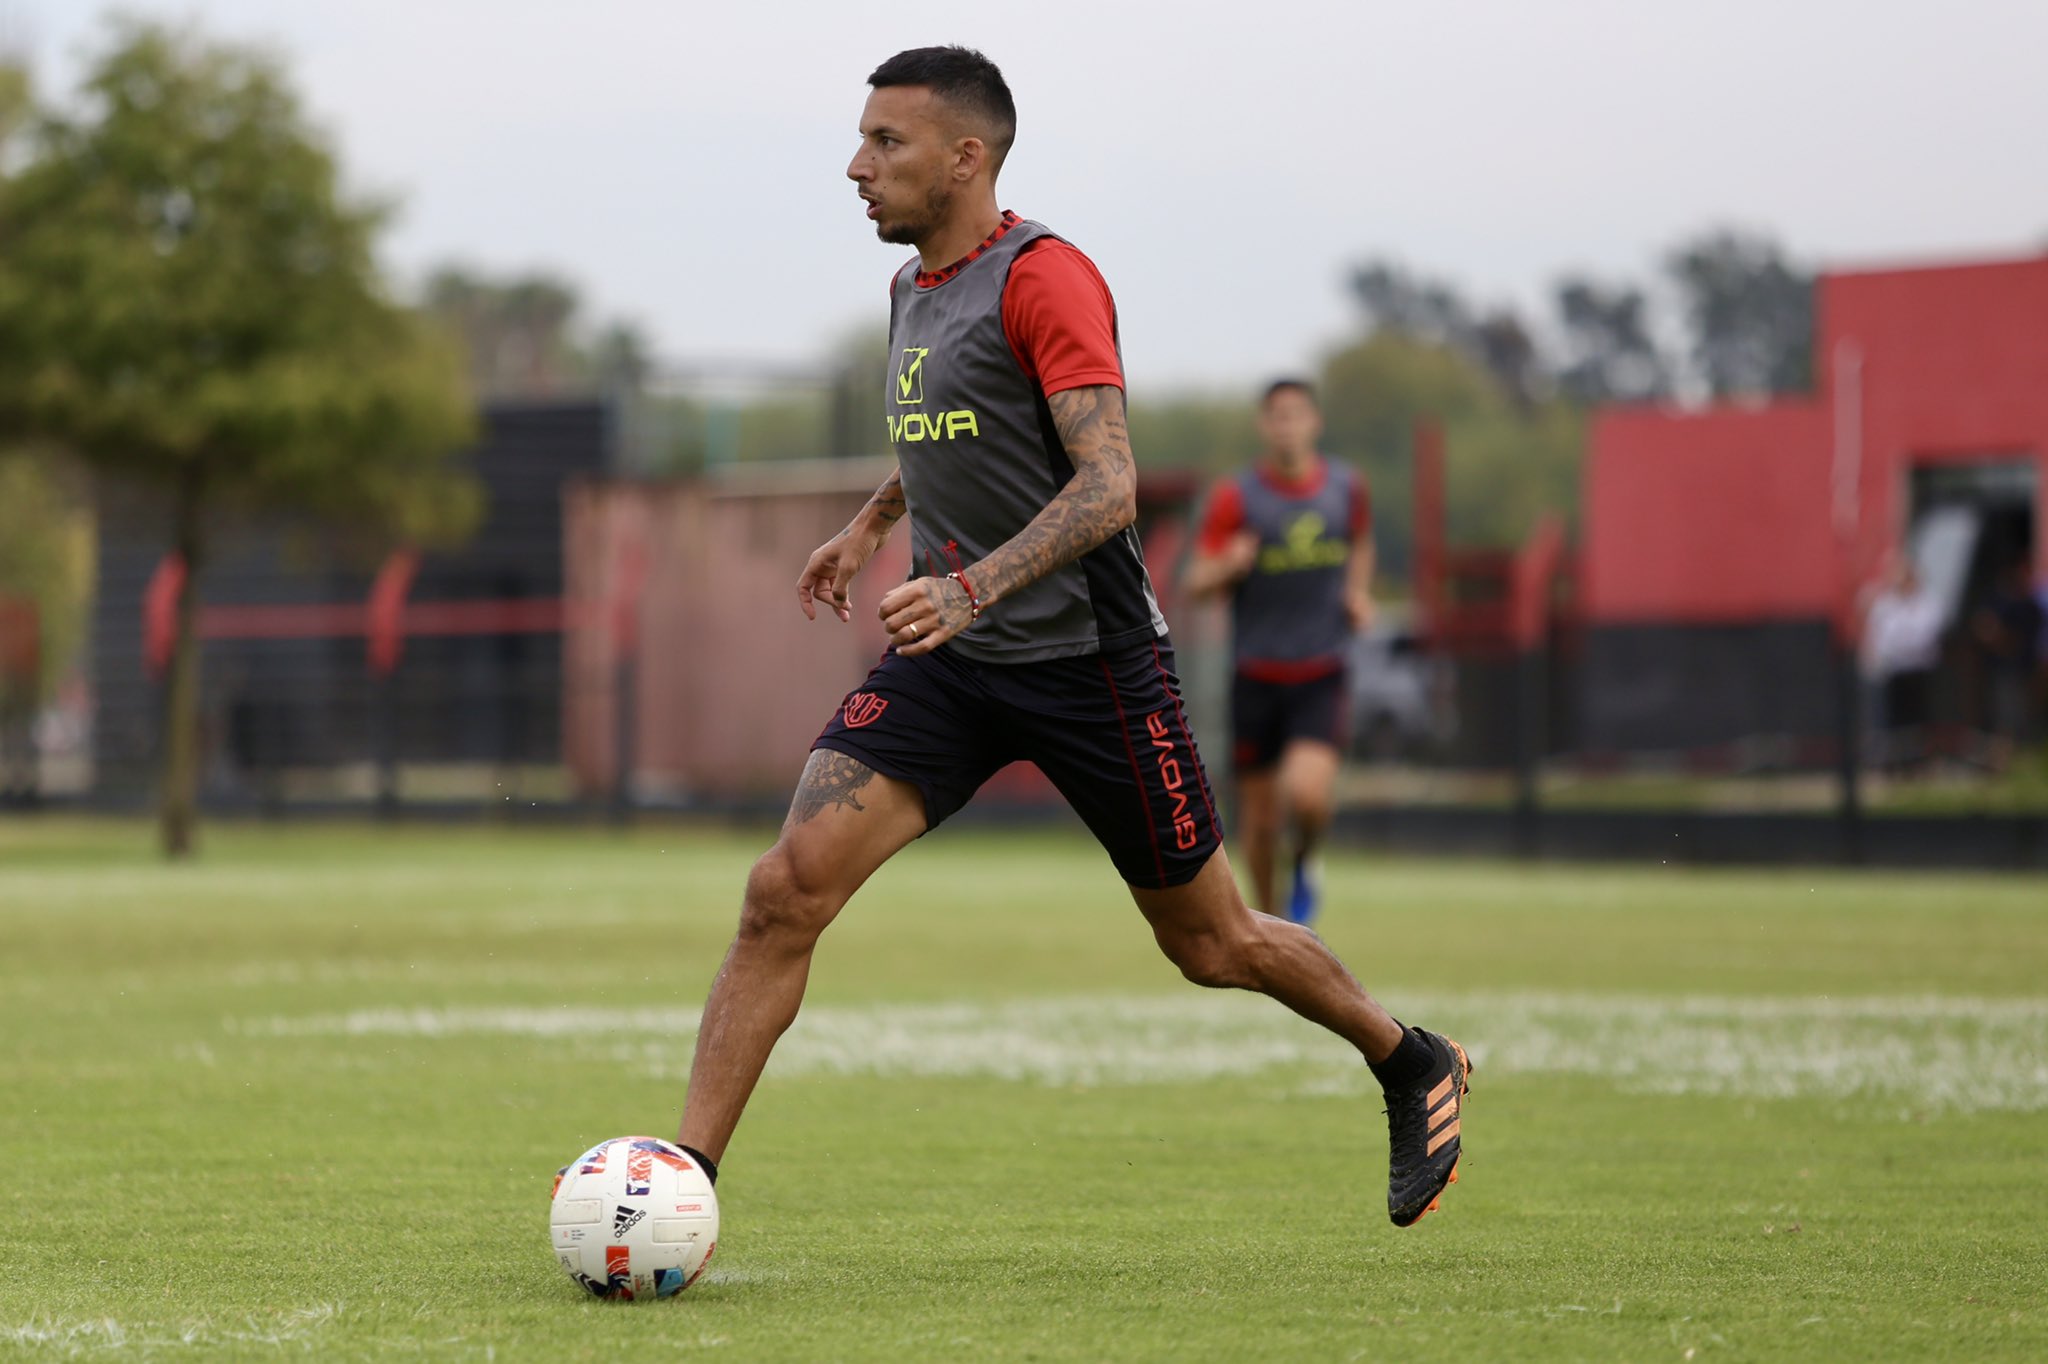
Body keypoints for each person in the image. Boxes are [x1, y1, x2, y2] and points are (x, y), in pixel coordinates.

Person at [671, 46, 1469, 1229]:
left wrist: (970, 587)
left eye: (884, 142)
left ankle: (1407, 1056)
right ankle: (679, 1183)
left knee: (1210, 942)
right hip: (954, 666)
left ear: (965, 157)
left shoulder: (1047, 279)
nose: (855, 166)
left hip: (1092, 667)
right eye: (860, 139)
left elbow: (1108, 485)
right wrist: (869, 525)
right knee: (782, 891)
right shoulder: (909, 290)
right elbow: (951, 426)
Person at [1182, 381, 1373, 923]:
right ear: (1264, 426)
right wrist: (1228, 564)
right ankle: (1275, 930)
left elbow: (1360, 542)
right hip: (1255, 673)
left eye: (1296, 414)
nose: (1287, 425)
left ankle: (1307, 859)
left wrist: (1357, 593)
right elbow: (1195, 582)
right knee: (1261, 824)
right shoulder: (1237, 497)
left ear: (1315, 422)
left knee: (1307, 796)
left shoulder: (1345, 488)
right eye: (1277, 416)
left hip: (1321, 669)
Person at [1860, 555, 1944, 773]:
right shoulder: (1886, 605)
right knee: (1892, 720)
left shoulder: (1928, 603)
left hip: (1919, 672)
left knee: (1918, 719)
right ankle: (1893, 762)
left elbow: (1923, 637)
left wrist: (1902, 643)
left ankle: (1918, 761)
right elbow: (1883, 639)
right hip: (1892, 672)